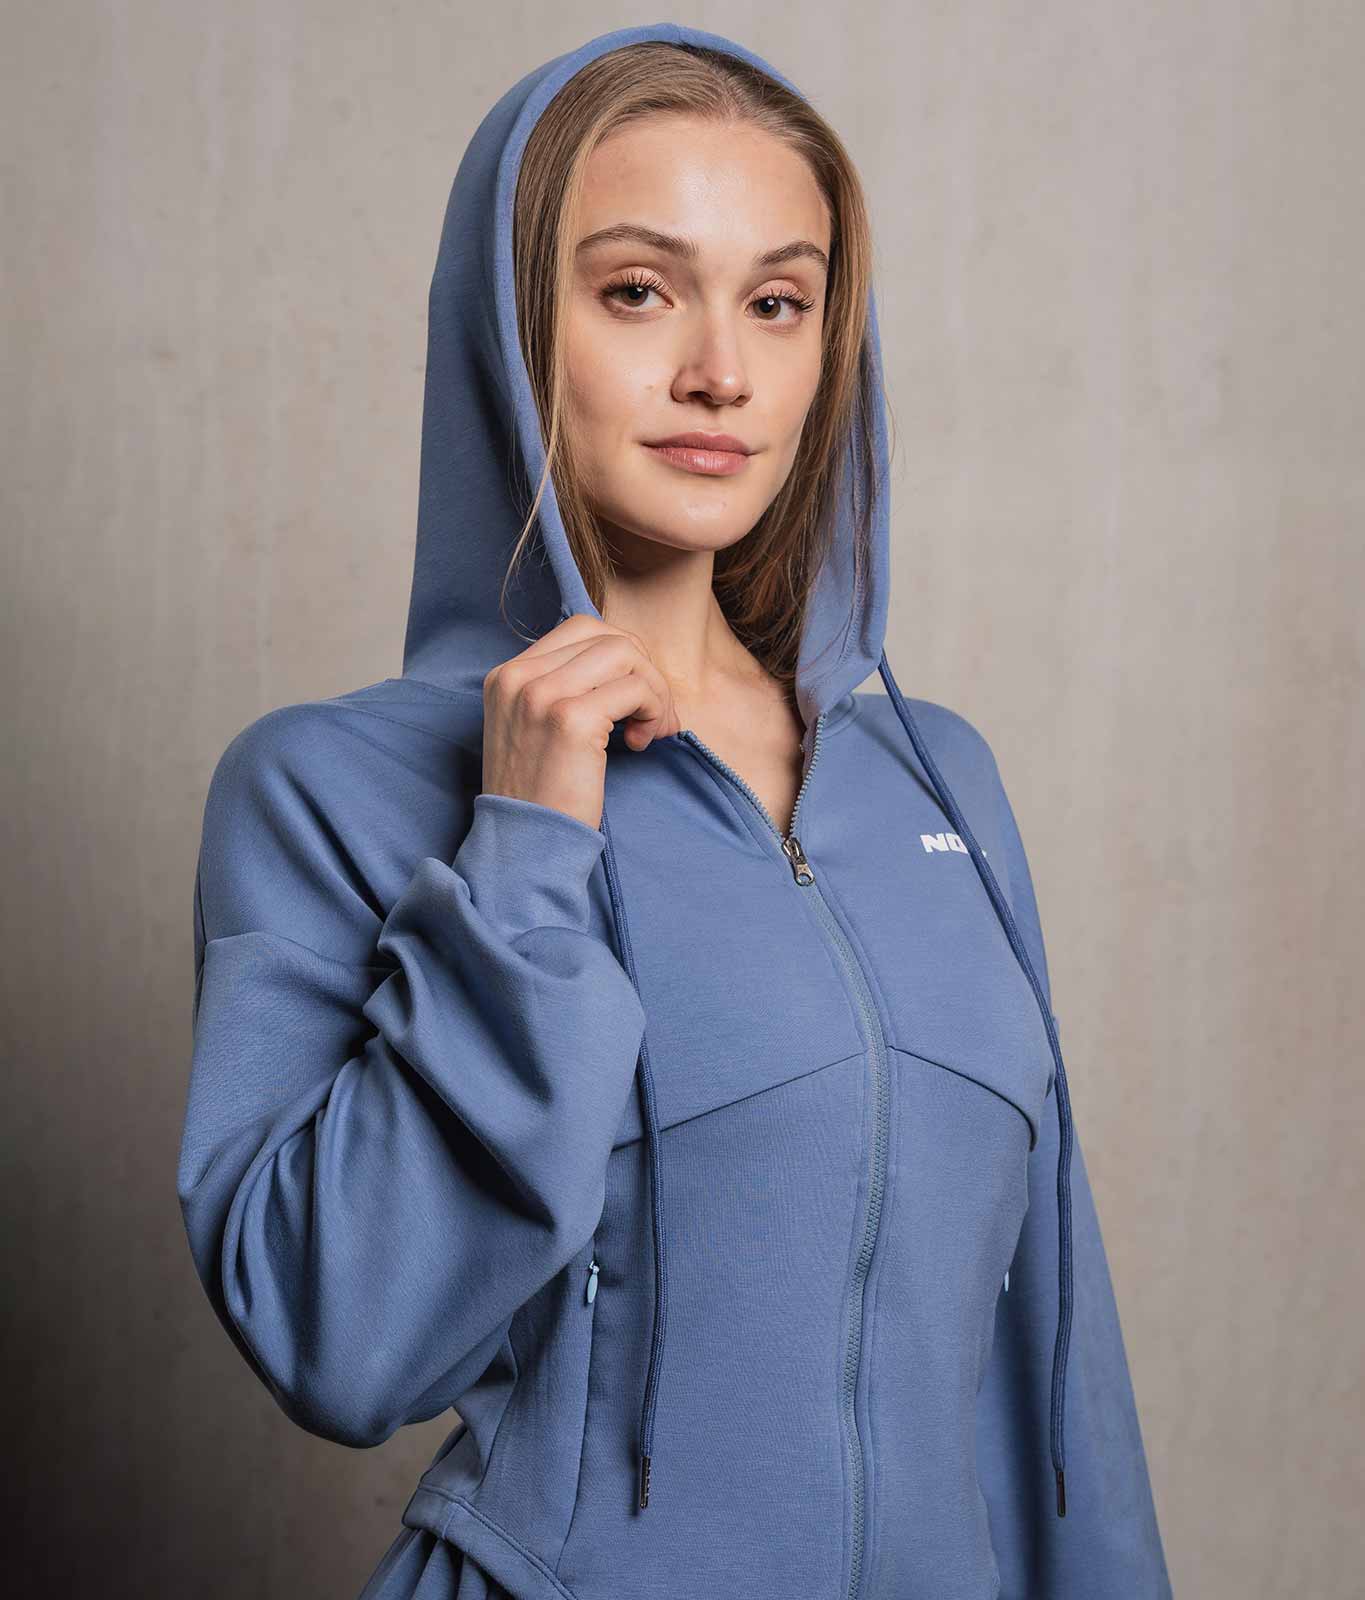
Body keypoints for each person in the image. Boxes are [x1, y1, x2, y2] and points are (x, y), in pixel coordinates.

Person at [176, 21, 1172, 1600]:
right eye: (638, 290)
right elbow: (337, 1343)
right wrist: (525, 853)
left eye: (777, 302)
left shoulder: (936, 779)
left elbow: (1053, 1355)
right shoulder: (326, 787)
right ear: (514, 326)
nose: (721, 370)